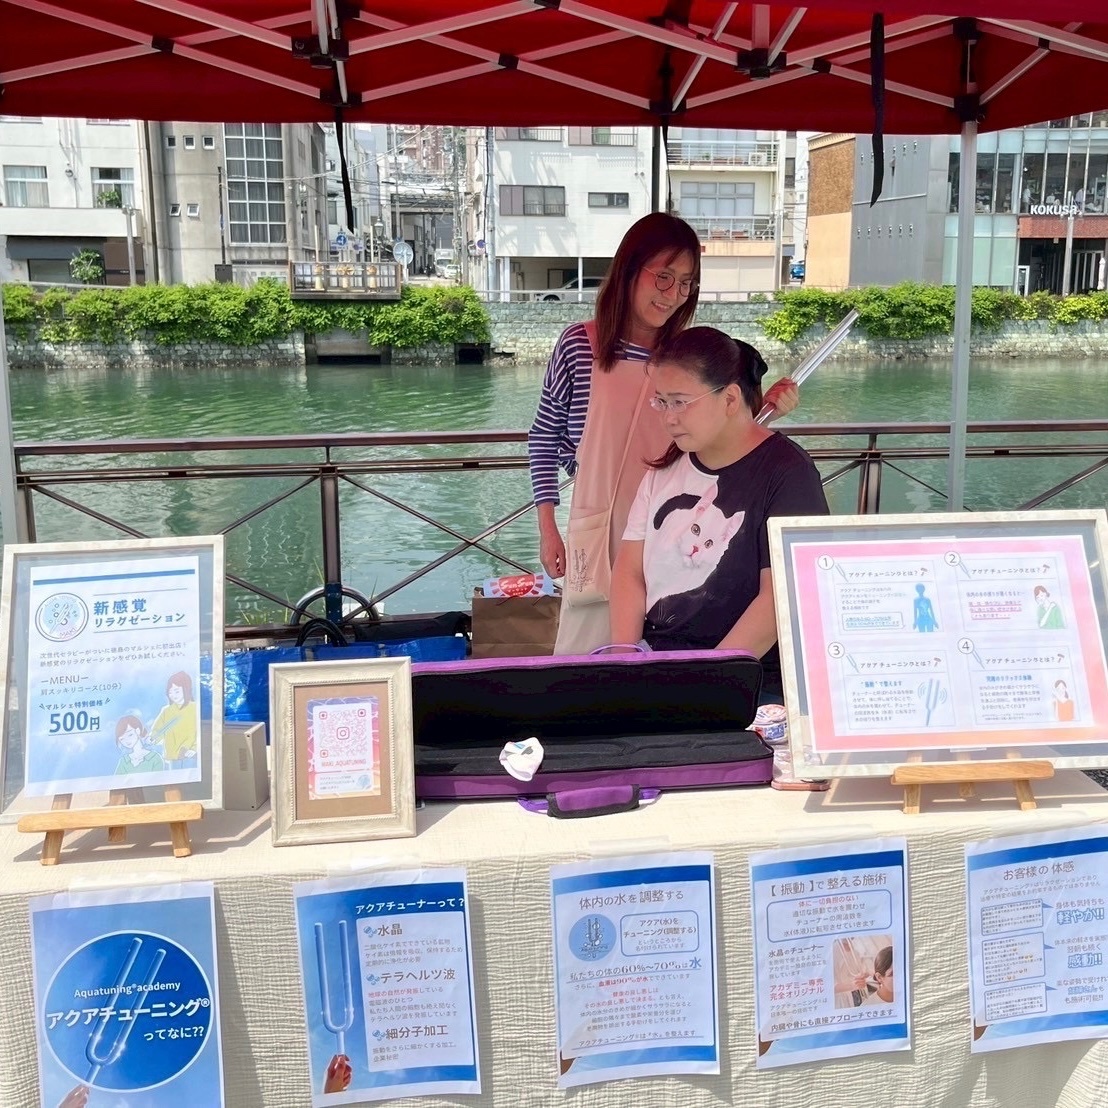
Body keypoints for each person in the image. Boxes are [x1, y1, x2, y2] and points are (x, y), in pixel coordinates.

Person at [528, 212, 798, 654]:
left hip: (673, 531)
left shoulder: (685, 357)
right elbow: (544, 437)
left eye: (686, 283)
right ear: (629, 269)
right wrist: (547, 528)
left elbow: (720, 434)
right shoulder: (579, 345)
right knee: (584, 658)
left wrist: (765, 408)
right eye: (664, 277)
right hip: (597, 526)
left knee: (662, 652)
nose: (673, 295)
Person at [608, 328, 827, 702]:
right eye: (661, 402)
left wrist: (709, 681)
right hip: (656, 662)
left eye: (680, 402)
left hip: (747, 677)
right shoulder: (663, 472)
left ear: (729, 399)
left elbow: (779, 597)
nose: (668, 418)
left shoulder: (788, 473)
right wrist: (624, 659)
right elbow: (629, 572)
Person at [149, 670, 198, 769]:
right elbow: (157, 730)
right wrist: (152, 739)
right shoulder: (166, 711)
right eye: (170, 692)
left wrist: (194, 748)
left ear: (186, 689)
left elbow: (199, 732)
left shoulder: (195, 708)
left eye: (177, 691)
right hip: (172, 757)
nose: (173, 695)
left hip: (190, 755)